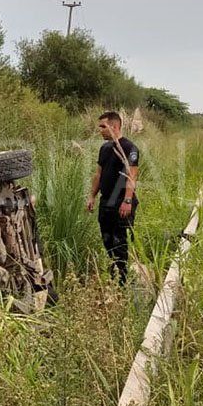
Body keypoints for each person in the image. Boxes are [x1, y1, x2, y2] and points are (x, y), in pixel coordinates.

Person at [85, 111, 140, 284]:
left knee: (120, 242)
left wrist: (127, 200)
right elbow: (98, 175)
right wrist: (92, 196)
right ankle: (114, 274)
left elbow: (132, 177)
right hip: (106, 201)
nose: (100, 130)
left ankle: (122, 282)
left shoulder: (130, 148)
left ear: (115, 126)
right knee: (107, 240)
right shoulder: (105, 148)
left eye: (103, 126)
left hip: (121, 203)